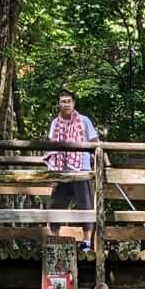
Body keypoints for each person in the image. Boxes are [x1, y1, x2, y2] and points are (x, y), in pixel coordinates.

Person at [45, 92, 98, 232]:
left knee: (85, 206)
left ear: (73, 103)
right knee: (56, 205)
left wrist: (104, 160)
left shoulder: (84, 120)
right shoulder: (55, 123)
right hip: (62, 170)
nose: (66, 104)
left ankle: (86, 242)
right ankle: (54, 239)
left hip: (82, 169)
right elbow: (51, 143)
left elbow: (94, 141)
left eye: (69, 101)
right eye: (63, 101)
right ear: (58, 104)